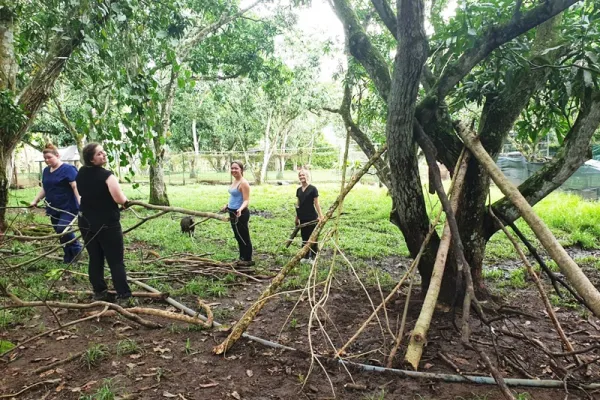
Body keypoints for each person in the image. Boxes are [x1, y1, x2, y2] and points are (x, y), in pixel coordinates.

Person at [76, 143, 133, 305]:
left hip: (86, 221)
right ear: (91, 160)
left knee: (95, 258)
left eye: (103, 152)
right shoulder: (107, 176)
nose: (104, 155)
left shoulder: (81, 173)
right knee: (115, 260)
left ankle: (99, 292)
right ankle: (124, 295)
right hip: (107, 224)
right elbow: (119, 199)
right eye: (99, 154)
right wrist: (126, 202)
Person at [30, 144, 83, 263]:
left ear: (57, 156)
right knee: (60, 233)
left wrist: (81, 204)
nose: (47, 160)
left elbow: (75, 187)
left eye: (49, 157)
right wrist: (35, 200)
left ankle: (76, 248)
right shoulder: (46, 171)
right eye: (45, 158)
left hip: (68, 206)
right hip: (53, 207)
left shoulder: (68, 169)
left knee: (62, 229)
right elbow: (45, 188)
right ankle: (68, 256)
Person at [220, 161, 253, 266]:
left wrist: (240, 209)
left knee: (243, 236)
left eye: (236, 168)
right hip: (232, 212)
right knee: (238, 236)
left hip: (240, 213)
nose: (233, 170)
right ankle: (242, 257)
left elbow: (246, 200)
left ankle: (247, 259)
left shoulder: (243, 183)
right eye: (232, 168)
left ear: (241, 170)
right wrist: (227, 205)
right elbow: (234, 197)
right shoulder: (235, 181)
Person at [295, 169, 323, 264]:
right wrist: (297, 217)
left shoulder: (313, 189)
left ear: (307, 176)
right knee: (304, 237)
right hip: (302, 217)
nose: (302, 176)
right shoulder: (298, 190)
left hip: (311, 217)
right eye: (300, 175)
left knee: (313, 237)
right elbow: (298, 204)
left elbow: (316, 203)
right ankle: (305, 256)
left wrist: (320, 215)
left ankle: (314, 257)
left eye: (303, 175)